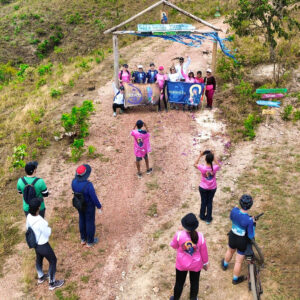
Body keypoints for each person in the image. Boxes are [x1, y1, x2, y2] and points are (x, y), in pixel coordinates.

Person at [26, 197, 64, 290]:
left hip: (35, 244)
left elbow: (28, 228)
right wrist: (49, 228)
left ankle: (41, 276)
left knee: (39, 258)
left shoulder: (29, 216)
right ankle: (52, 283)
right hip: (43, 245)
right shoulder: (40, 221)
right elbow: (47, 233)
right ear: (38, 209)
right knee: (53, 260)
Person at [170, 213, 209, 300]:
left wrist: (178, 232)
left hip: (181, 264)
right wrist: (206, 263)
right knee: (195, 282)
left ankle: (176, 298)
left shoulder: (179, 235)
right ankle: (193, 298)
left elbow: (174, 246)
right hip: (196, 265)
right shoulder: (201, 237)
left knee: (179, 282)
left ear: (184, 225)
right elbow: (204, 253)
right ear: (195, 226)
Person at [221, 195, 255, 285]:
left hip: (232, 236)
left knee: (230, 251)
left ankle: (225, 265)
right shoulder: (249, 220)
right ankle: (235, 279)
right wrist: (252, 222)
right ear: (250, 205)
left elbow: (231, 218)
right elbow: (251, 235)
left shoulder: (234, 211)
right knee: (238, 261)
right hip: (242, 241)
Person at [71, 164, 103, 247]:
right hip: (89, 206)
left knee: (81, 219)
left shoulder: (73, 182)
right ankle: (90, 241)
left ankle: (83, 239)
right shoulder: (88, 185)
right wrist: (99, 206)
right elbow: (94, 197)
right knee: (89, 222)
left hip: (79, 204)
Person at [194, 151, 221, 224]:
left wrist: (200, 155)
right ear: (212, 160)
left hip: (203, 187)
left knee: (203, 201)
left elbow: (195, 164)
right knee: (209, 202)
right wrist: (213, 155)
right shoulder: (215, 168)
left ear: (205, 159)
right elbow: (219, 165)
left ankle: (202, 216)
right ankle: (208, 219)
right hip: (212, 188)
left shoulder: (202, 168)